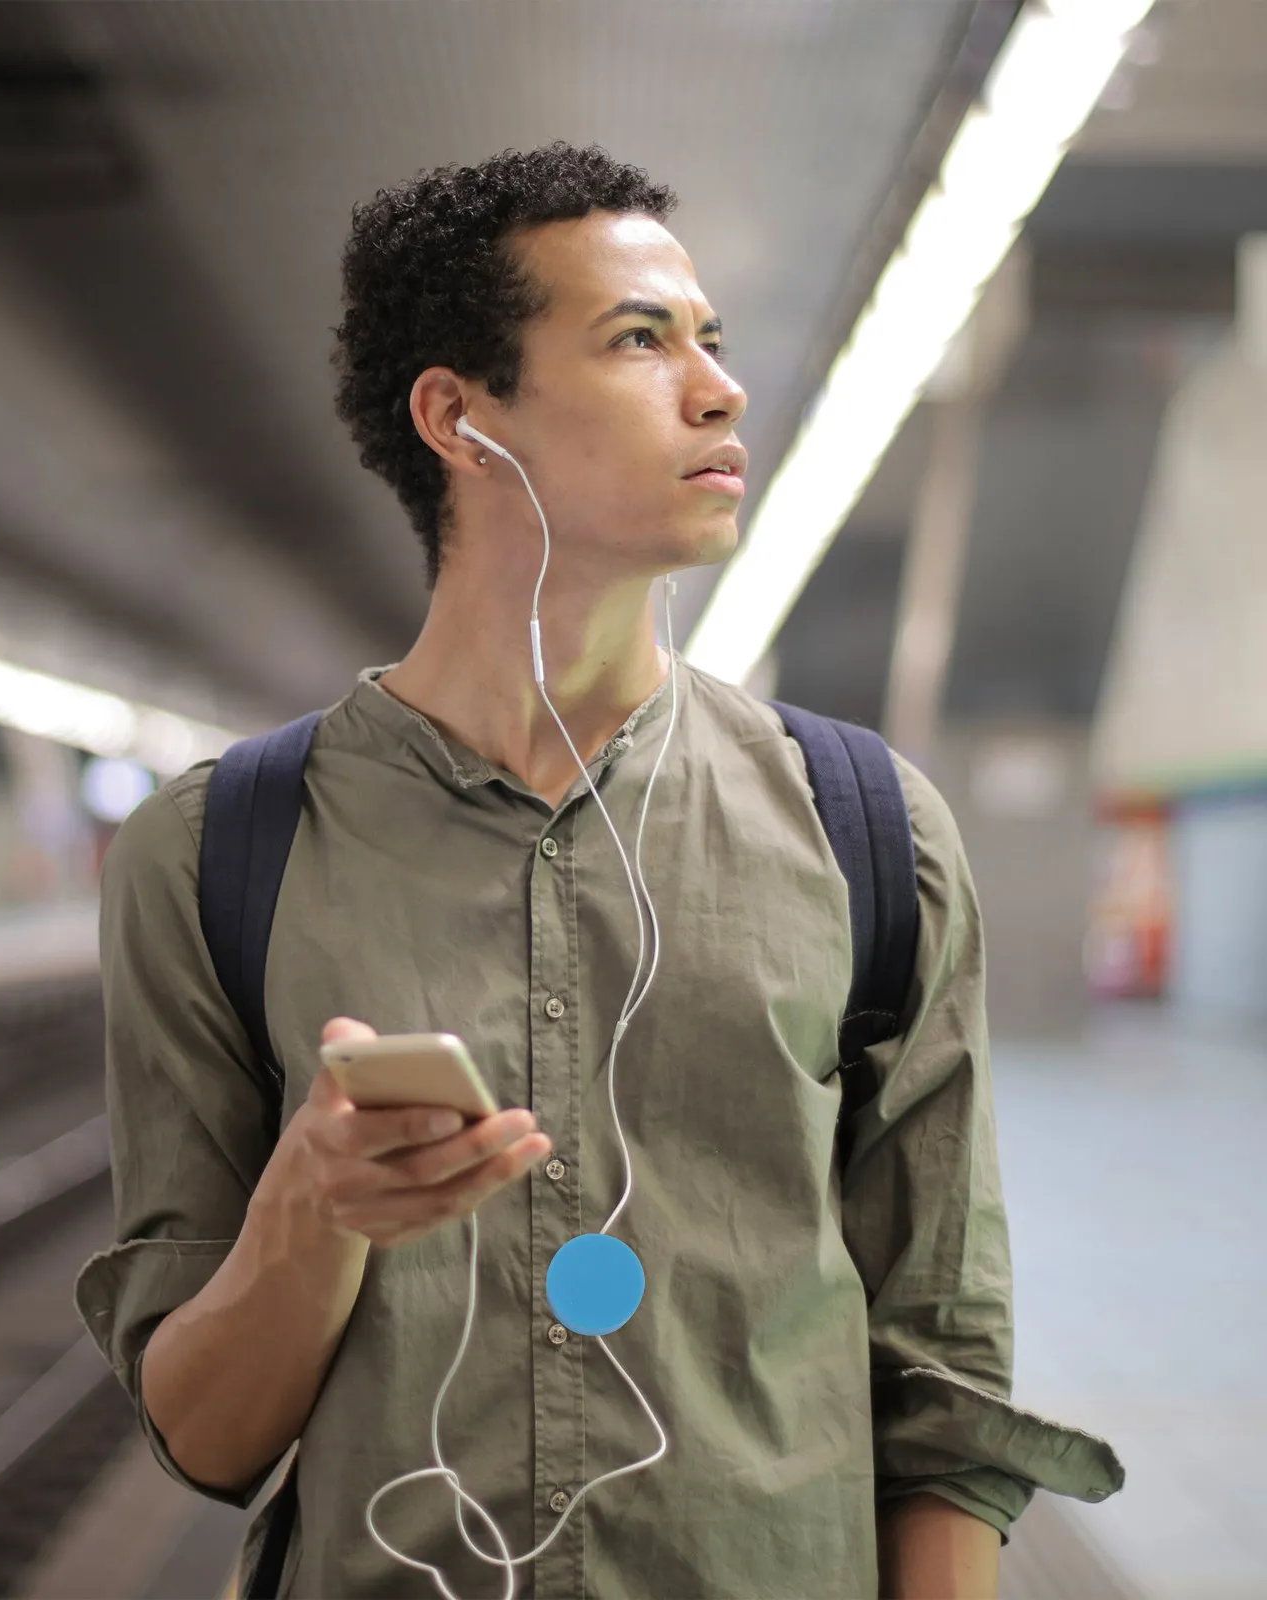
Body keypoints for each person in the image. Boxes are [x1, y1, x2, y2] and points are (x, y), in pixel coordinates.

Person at [76, 142, 1120, 1599]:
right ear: (460, 416)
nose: (719, 387)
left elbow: (941, 1375)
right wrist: (308, 1213)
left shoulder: (869, 827)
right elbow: (200, 1431)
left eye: (711, 340)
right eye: (640, 340)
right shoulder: (217, 853)